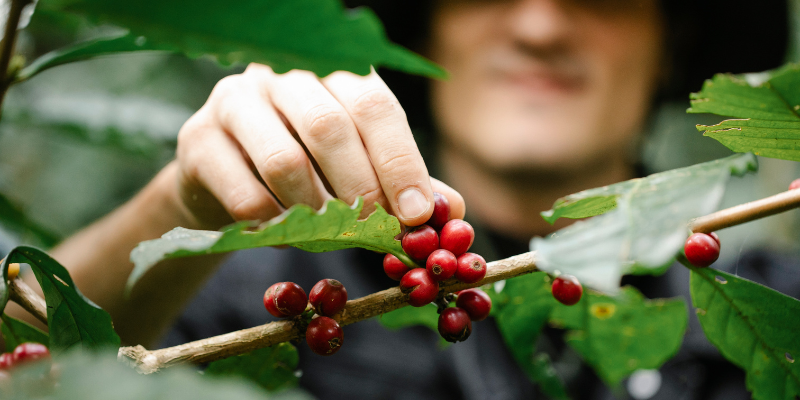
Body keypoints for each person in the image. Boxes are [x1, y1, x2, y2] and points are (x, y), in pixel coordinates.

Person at [6, 0, 791, 398]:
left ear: (672, 41)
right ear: (429, 28)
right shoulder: (256, 305)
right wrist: (182, 205)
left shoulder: (781, 309)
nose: (542, 24)